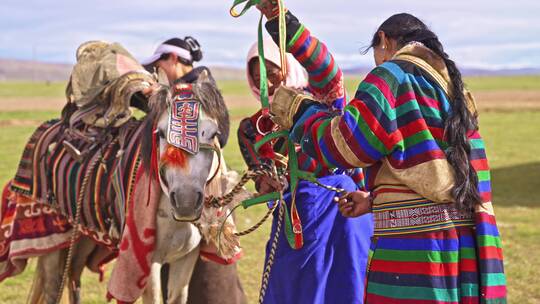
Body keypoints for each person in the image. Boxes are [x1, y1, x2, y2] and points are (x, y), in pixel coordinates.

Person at [261, 2, 507, 302]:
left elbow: (348, 144)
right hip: (461, 242)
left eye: (375, 52)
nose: (376, 64)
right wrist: (374, 200)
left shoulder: (393, 77)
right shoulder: (450, 85)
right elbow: (433, 171)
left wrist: (300, 111)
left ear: (384, 40)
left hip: (419, 251)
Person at [237, 21, 373, 304]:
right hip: (294, 225)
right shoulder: (252, 129)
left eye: (272, 73)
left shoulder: (323, 104)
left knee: (348, 287)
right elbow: (261, 180)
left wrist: (282, 24)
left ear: (289, 69)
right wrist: (268, 184)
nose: (267, 83)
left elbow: (329, 72)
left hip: (343, 214)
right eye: (259, 76)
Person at [141, 37, 246, 304]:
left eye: (160, 63)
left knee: (209, 286)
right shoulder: (180, 90)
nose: (158, 70)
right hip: (186, 184)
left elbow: (219, 136)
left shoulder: (200, 89)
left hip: (199, 187)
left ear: (173, 59)